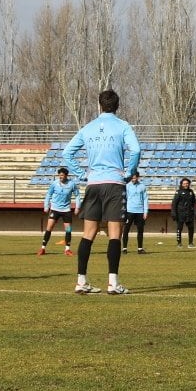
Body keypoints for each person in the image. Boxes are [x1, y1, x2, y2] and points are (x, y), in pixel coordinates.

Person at [64, 89, 141, 295]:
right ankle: (113, 284)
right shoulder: (123, 126)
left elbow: (67, 153)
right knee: (114, 234)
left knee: (88, 233)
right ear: (118, 105)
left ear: (100, 105)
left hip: (93, 184)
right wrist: (130, 171)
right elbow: (136, 150)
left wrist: (82, 174)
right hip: (114, 183)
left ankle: (81, 281)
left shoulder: (87, 128)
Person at [40, 166, 79, 256]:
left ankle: (67, 250)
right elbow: (48, 195)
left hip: (66, 210)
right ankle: (43, 248)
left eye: (62, 175)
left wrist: (77, 207)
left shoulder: (72, 184)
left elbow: (77, 196)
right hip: (55, 209)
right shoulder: (54, 184)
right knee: (49, 228)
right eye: (59, 175)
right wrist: (46, 206)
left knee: (68, 230)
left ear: (66, 176)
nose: (60, 177)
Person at [122, 171, 149, 254]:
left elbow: (145, 199)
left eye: (135, 178)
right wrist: (124, 210)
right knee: (126, 229)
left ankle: (140, 249)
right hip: (129, 211)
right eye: (132, 178)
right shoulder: (127, 186)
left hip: (140, 211)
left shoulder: (142, 186)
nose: (133, 179)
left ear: (138, 177)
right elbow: (124, 199)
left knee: (140, 230)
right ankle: (124, 248)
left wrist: (145, 211)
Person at [171, 177, 196, 249]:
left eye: (187, 183)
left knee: (191, 228)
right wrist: (173, 213)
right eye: (184, 183)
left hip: (189, 213)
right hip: (180, 213)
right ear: (181, 184)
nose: (186, 185)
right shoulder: (178, 192)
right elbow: (174, 203)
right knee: (179, 228)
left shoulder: (191, 192)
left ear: (189, 184)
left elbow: (194, 203)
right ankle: (179, 243)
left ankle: (190, 243)